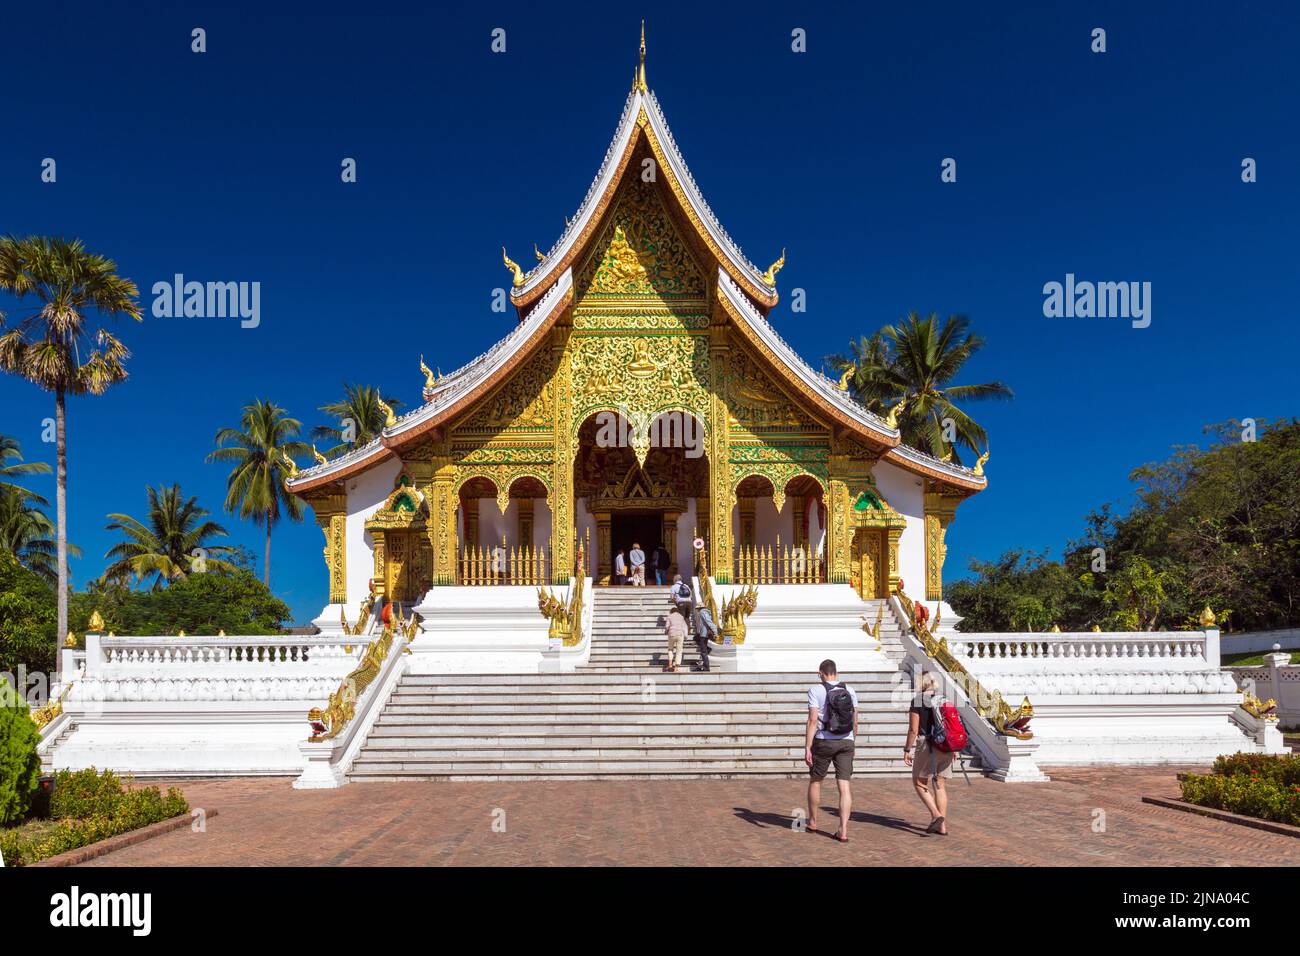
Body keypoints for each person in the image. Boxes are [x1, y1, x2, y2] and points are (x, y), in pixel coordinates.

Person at [805, 659, 858, 842]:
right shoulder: (849, 690)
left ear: (821, 673)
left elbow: (813, 720)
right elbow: (855, 720)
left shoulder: (816, 690)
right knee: (844, 786)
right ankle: (843, 830)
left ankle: (813, 821)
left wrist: (807, 746)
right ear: (836, 672)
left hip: (824, 740)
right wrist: (853, 742)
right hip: (846, 740)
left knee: (816, 781)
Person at [905, 670, 953, 835]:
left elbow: (913, 729)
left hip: (926, 743)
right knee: (939, 785)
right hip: (945, 745)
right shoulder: (944, 699)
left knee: (919, 782)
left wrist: (907, 749)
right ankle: (942, 826)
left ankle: (936, 815)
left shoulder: (918, 700)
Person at [691, 603, 717, 672]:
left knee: (703, 651)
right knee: (695, 638)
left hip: (704, 634)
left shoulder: (703, 612)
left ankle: (706, 667)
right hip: (702, 633)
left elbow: (708, 622)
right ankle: (708, 649)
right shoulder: (704, 612)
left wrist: (715, 631)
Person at [663, 606, 688, 672]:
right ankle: (676, 667)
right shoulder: (681, 617)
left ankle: (670, 664)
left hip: (671, 634)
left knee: (670, 649)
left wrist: (666, 632)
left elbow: (667, 626)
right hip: (680, 634)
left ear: (671, 611)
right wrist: (685, 635)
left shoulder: (669, 616)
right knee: (679, 650)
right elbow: (684, 627)